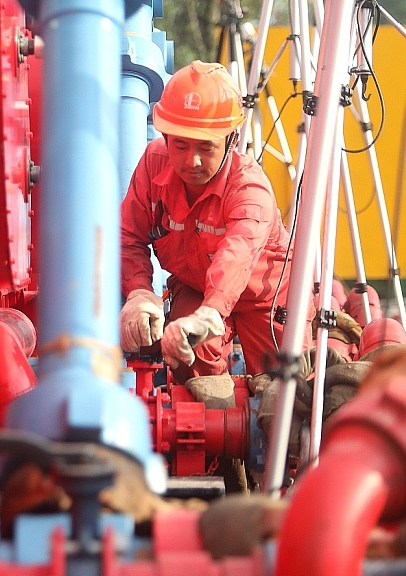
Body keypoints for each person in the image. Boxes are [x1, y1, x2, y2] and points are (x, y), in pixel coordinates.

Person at [118, 60, 309, 382]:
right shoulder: (153, 163)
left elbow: (238, 254)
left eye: (206, 147)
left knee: (286, 390)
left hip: (265, 299)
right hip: (195, 287)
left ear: (231, 139)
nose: (191, 161)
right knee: (188, 359)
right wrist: (138, 292)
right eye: (180, 144)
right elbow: (128, 237)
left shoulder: (250, 191)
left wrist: (211, 311)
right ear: (164, 134)